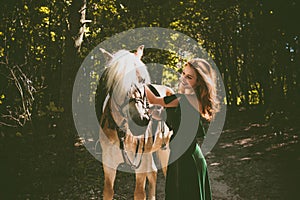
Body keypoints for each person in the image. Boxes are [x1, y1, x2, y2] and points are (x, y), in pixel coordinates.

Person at [145, 58, 220, 200]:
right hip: (190, 156)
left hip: (184, 160)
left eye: (189, 77)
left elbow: (154, 100)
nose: (183, 78)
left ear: (198, 82)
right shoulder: (194, 99)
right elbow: (174, 119)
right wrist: (154, 114)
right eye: (183, 74)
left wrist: (139, 82)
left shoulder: (182, 98)